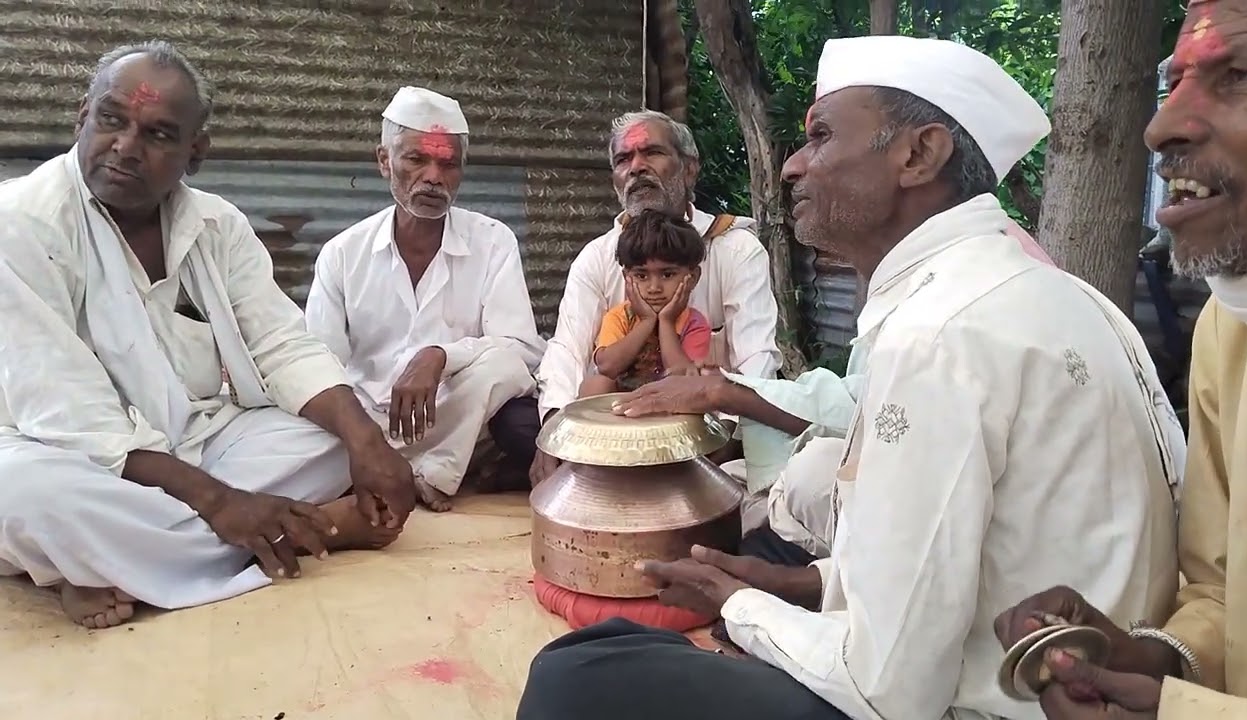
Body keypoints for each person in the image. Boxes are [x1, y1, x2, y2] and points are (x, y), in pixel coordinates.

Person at [516, 35, 1187, 720]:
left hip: (982, 706)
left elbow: (887, 687)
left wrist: (739, 604)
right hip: (1040, 676)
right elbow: (984, 562)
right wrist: (799, 582)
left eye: (820, 136)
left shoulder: (937, 335)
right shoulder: (1069, 297)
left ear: (918, 155)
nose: (791, 168)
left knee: (575, 673)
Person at [0, 41, 416, 630]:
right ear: (81, 117)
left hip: (194, 437)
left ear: (196, 152)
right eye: (111, 120)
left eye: (158, 134)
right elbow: (69, 412)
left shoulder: (218, 226)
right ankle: (313, 529)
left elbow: (281, 344)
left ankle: (104, 563)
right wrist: (220, 503)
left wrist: (368, 444)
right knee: (23, 496)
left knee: (330, 441)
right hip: (56, 449)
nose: (125, 147)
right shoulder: (20, 223)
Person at [994, 2, 1247, 717]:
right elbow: (1219, 590)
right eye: (1175, 80)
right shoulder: (1234, 326)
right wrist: (1145, 655)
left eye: (1240, 74)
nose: (1161, 126)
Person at [502, 110, 782, 487]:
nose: (636, 167)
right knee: (517, 420)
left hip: (705, 432)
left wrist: (721, 443)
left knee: (770, 441)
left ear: (689, 169)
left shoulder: (737, 250)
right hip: (617, 424)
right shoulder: (598, 256)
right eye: (624, 159)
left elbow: (757, 361)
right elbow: (567, 349)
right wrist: (554, 433)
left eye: (651, 153)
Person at [305, 86, 543, 512]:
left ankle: (430, 475)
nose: (433, 177)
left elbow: (522, 350)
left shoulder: (492, 241)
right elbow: (319, 364)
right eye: (416, 159)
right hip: (368, 423)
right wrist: (358, 430)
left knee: (504, 367)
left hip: (452, 418)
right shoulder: (343, 253)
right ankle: (394, 465)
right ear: (384, 161)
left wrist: (440, 356)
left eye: (447, 164)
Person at [578, 209, 712, 397]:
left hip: (669, 405)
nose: (654, 288)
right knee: (596, 385)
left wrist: (666, 321)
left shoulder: (694, 323)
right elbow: (607, 367)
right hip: (620, 405)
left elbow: (683, 378)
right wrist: (646, 321)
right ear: (627, 277)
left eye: (667, 275)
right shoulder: (620, 316)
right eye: (641, 275)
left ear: (692, 277)